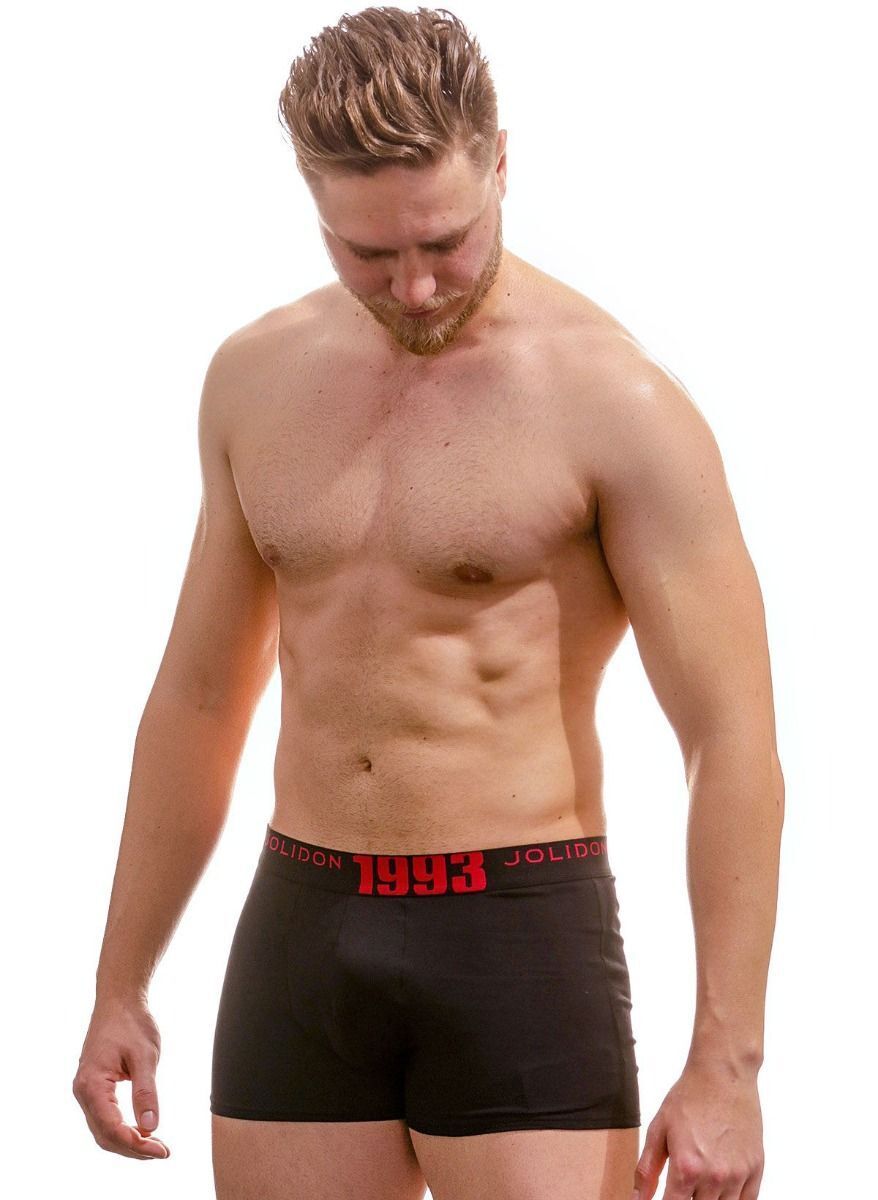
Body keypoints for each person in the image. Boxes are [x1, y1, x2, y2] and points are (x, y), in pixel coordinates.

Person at [72, 7, 784, 1199]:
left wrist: (727, 1062)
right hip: (300, 926)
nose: (411, 285)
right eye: (365, 253)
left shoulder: (615, 402)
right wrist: (120, 983)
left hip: (515, 936)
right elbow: (198, 699)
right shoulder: (252, 380)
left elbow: (731, 737)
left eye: (446, 242)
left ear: (500, 163)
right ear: (312, 201)